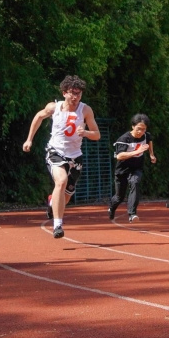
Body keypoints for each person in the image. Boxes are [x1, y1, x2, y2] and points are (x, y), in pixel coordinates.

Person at [23, 75, 101, 238]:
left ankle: (53, 203)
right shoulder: (54, 107)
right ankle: (57, 225)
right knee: (61, 181)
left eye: (79, 94)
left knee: (66, 196)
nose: (76, 97)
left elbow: (97, 135)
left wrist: (86, 133)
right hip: (56, 151)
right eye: (73, 93)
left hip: (75, 157)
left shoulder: (85, 110)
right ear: (64, 93)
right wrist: (29, 139)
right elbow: (38, 117)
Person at [108, 114, 156, 222]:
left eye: (143, 129)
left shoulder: (145, 135)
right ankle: (112, 207)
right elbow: (119, 156)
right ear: (133, 126)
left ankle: (132, 214)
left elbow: (149, 140)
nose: (141, 132)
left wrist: (151, 154)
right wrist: (137, 152)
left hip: (136, 168)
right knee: (119, 197)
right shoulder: (124, 139)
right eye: (139, 129)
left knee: (135, 182)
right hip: (122, 170)